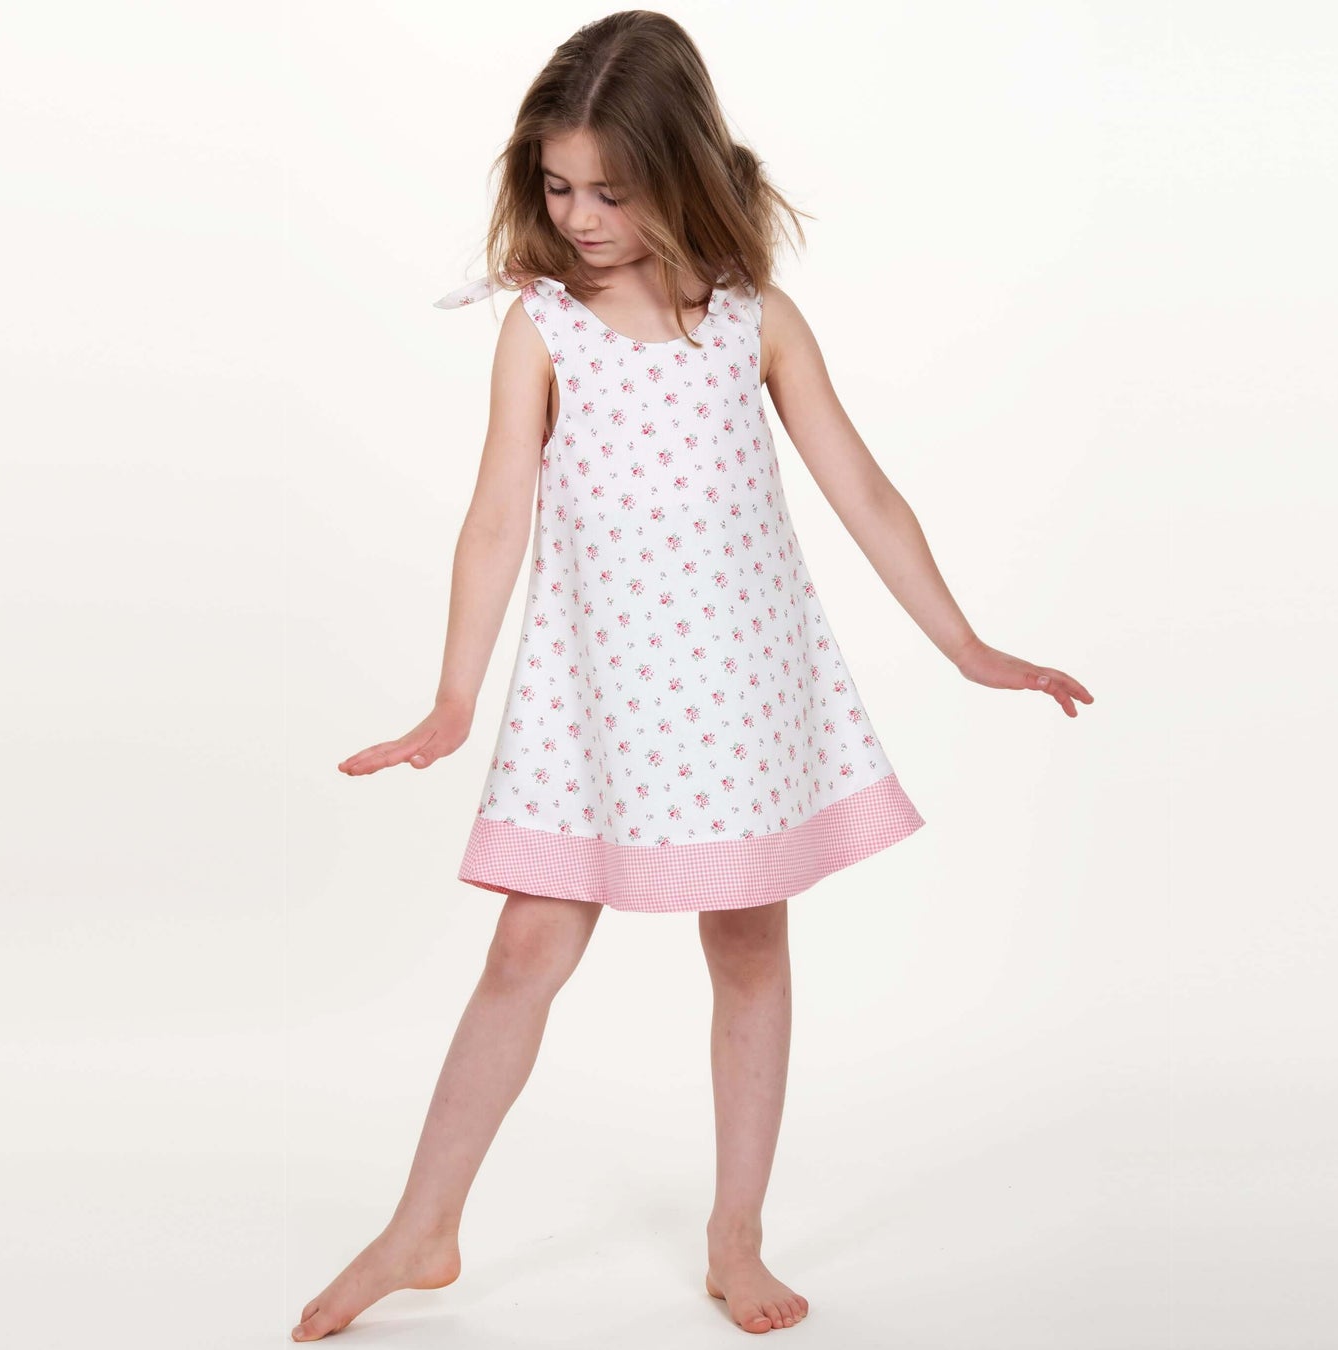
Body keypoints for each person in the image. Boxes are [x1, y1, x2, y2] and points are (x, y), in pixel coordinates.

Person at [294, 9, 1093, 1341]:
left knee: (749, 940)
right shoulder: (542, 329)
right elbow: (495, 520)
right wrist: (453, 699)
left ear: (684, 170)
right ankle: (422, 1226)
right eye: (558, 187)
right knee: (526, 945)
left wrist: (966, 645)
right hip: (591, 699)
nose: (581, 217)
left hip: (736, 695)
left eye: (611, 190)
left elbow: (863, 490)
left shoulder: (753, 322)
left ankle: (737, 1230)